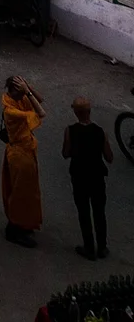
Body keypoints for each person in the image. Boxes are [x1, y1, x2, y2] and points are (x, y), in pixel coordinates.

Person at [63, 95, 112, 260]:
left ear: (76, 113)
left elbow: (66, 153)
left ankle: (89, 247)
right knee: (99, 212)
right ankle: (102, 247)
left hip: (79, 176)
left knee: (83, 212)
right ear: (89, 112)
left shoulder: (70, 131)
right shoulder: (100, 131)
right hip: (97, 177)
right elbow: (109, 157)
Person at [1, 75, 45, 246]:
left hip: (26, 149)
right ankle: (14, 228)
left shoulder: (16, 99)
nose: (24, 97)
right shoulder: (11, 111)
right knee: (20, 193)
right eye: (22, 93)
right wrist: (27, 93)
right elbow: (41, 112)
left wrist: (29, 88)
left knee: (29, 192)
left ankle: (23, 223)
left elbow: (41, 99)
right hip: (20, 154)